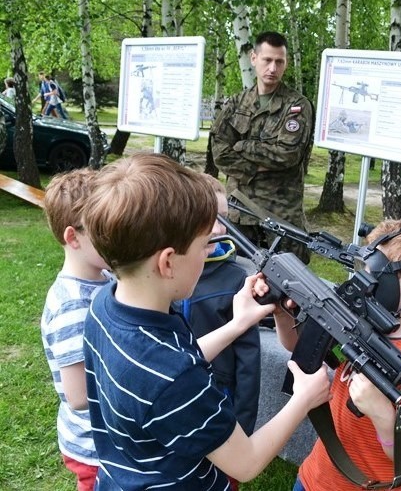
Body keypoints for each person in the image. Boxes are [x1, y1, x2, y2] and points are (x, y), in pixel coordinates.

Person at [82, 153, 331, 489]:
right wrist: (304, 397)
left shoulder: (106, 303)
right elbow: (246, 461)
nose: (207, 253)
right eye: (204, 246)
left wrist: (237, 324)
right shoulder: (175, 379)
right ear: (168, 262)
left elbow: (167, 367)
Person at [273, 219, 401, 491]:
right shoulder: (363, 323)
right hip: (314, 478)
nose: (363, 284)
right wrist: (282, 313)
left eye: (374, 277)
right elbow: (297, 348)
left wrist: (381, 413)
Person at [172, 173, 262, 491]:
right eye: (210, 219)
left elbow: (249, 362)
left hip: (218, 401)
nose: (221, 229)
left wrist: (244, 427)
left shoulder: (235, 278)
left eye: (224, 219)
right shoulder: (166, 276)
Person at [211, 31, 314, 264]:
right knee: (235, 275)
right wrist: (256, 167)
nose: (273, 68)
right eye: (267, 60)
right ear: (254, 58)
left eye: (279, 61)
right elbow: (219, 152)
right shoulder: (237, 103)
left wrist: (242, 145)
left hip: (280, 215)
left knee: (286, 286)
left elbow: (287, 155)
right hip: (239, 211)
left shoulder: (296, 106)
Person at [40, 168, 110, 491]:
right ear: (73, 237)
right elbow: (79, 396)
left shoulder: (105, 279)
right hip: (93, 449)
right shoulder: (73, 306)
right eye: (106, 229)